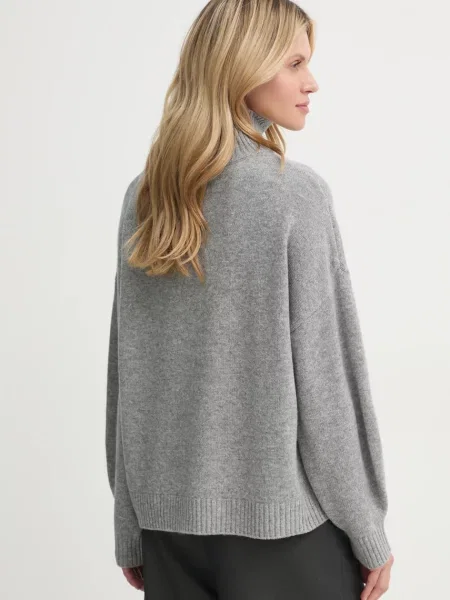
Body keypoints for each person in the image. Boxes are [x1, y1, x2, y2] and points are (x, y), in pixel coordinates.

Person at [105, 1, 394, 598]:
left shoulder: (147, 195)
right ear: (242, 67)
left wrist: (130, 526)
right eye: (294, 63)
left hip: (169, 536)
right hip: (284, 542)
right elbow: (326, 386)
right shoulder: (293, 196)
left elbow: (128, 376)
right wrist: (368, 529)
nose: (312, 82)